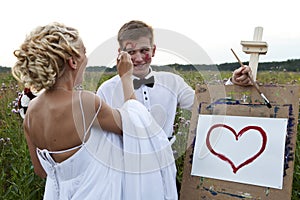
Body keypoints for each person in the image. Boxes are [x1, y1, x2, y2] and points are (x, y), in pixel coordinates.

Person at [12, 22, 177, 200]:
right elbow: (135, 124)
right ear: (73, 62)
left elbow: (41, 171)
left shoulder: (31, 113)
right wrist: (126, 78)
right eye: (84, 52)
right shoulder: (85, 104)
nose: (87, 58)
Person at [97, 20, 252, 140]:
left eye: (144, 50)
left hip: (166, 164)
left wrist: (233, 82)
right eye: (131, 52)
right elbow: (100, 136)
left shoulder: (172, 82)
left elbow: (205, 105)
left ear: (154, 50)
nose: (138, 58)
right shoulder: (106, 89)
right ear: (120, 53)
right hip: (123, 168)